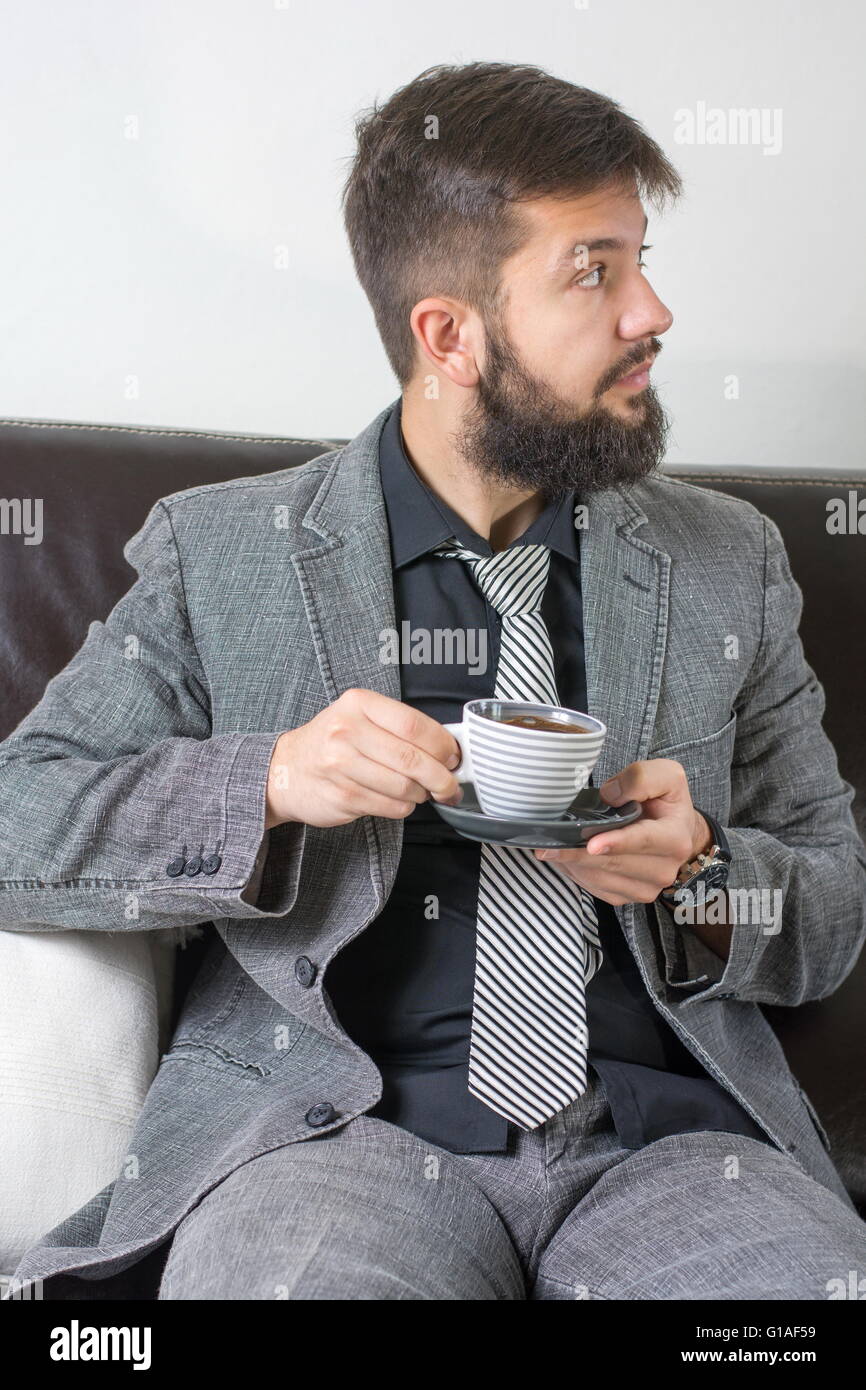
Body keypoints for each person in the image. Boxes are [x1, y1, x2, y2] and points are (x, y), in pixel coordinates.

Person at [2, 61, 865, 1302]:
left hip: (671, 1155)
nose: (651, 311)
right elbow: (16, 812)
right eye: (593, 270)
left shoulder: (726, 562)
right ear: (448, 334)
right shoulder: (223, 554)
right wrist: (270, 782)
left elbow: (829, 907)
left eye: (640, 257)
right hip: (334, 1142)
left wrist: (704, 883)